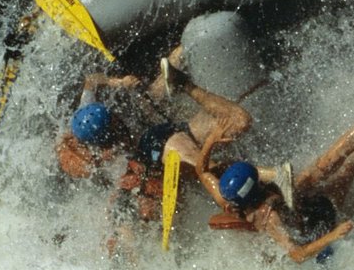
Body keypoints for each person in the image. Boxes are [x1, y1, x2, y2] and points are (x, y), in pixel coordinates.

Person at [55, 48, 254, 250]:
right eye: (113, 128)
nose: (117, 124)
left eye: (113, 120)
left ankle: (181, 75)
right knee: (127, 217)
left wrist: (119, 82)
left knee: (237, 121)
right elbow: (114, 187)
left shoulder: (86, 113)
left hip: (163, 139)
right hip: (150, 168)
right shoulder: (90, 155)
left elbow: (91, 81)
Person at [197, 90, 354, 263]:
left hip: (302, 202)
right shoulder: (270, 218)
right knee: (348, 172)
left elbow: (202, 171)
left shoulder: (225, 196)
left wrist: (211, 140)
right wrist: (331, 237)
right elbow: (298, 255)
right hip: (318, 223)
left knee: (327, 163)